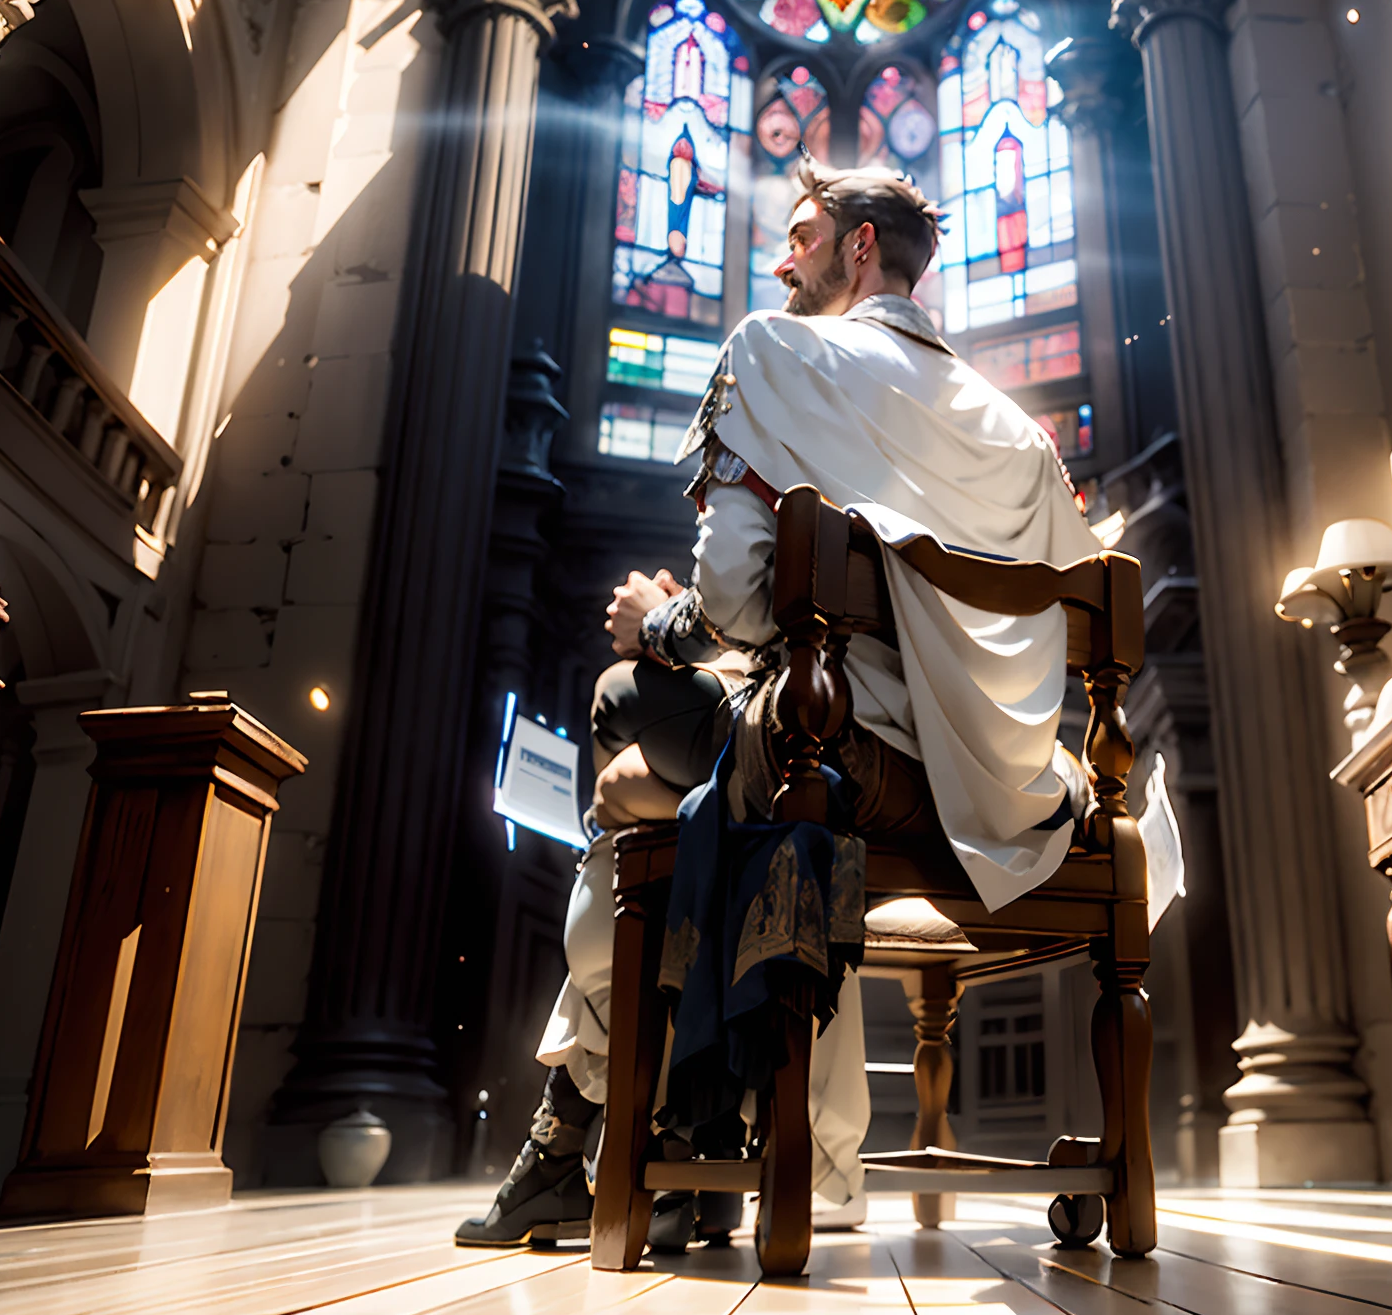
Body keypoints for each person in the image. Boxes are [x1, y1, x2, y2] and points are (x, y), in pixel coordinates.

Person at [455, 158, 1097, 1250]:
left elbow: (737, 603)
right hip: (997, 785)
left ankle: (613, 1129)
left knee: (622, 725)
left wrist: (655, 620)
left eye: (801, 234)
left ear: (857, 248)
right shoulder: (1017, 432)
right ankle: (692, 1141)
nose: (779, 257)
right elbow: (1065, 620)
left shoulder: (775, 350)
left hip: (837, 758)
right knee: (645, 786)